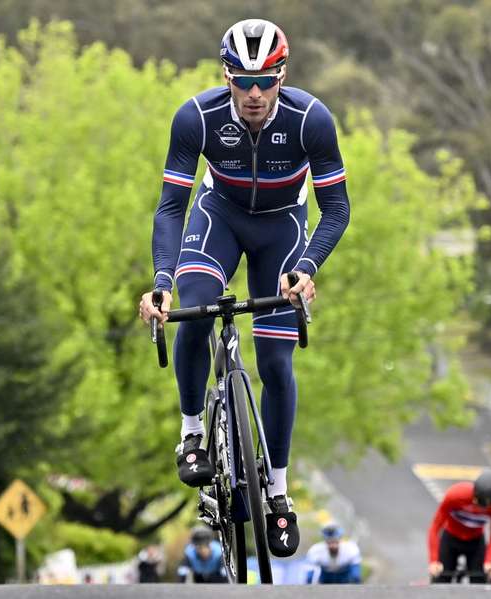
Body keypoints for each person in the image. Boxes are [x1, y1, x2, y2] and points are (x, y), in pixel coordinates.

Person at [138, 18, 350, 559]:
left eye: (267, 80)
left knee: (277, 364)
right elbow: (170, 207)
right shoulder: (197, 117)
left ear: (282, 76)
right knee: (196, 308)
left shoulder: (311, 120)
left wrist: (306, 267)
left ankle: (277, 491)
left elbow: (337, 209)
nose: (254, 94)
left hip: (283, 229)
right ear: (226, 76)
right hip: (220, 219)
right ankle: (191, 432)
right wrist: (161, 282)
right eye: (243, 80)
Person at [427, 469, 491, 583]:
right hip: (451, 538)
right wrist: (434, 561)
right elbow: (434, 528)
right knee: (441, 578)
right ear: (474, 493)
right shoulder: (455, 495)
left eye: (485, 508)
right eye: (477, 503)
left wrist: (489, 561)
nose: (479, 509)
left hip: (475, 542)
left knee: (481, 581)